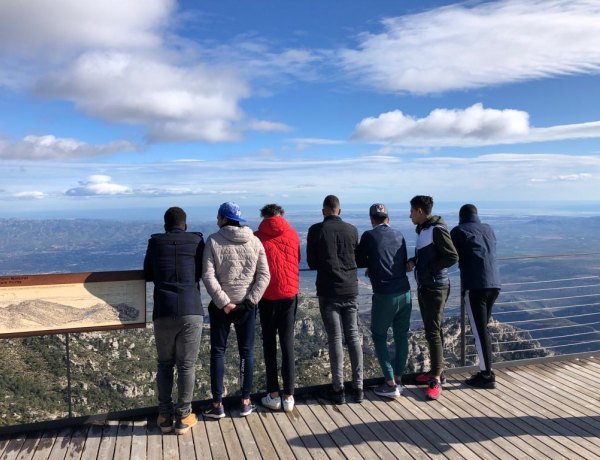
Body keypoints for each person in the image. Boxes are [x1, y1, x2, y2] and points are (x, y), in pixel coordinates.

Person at [202, 202, 270, 418]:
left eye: (218, 216)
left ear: (223, 218)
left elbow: (208, 275)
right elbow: (264, 276)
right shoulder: (255, 241)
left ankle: (217, 405)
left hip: (222, 307)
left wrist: (224, 302)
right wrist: (249, 302)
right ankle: (245, 402)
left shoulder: (213, 240)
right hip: (247, 307)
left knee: (218, 352)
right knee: (247, 352)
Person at [143, 207, 204, 435]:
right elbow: (202, 271)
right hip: (191, 308)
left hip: (163, 310)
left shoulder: (155, 243)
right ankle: (184, 417)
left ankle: (164, 416)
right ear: (185, 224)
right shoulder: (197, 241)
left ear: (165, 225)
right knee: (186, 365)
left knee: (164, 364)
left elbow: (147, 273)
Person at [307, 195, 363, 404]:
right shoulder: (352, 230)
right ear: (339, 210)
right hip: (351, 288)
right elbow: (356, 257)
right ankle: (358, 387)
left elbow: (312, 263)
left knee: (336, 339)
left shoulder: (316, 230)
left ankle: (338, 390)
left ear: (324, 211)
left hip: (328, 290)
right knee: (353, 337)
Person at [356, 204, 411, 399]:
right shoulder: (399, 235)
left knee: (379, 336)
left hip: (385, 293)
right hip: (405, 292)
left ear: (372, 220)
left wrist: (372, 265)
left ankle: (390, 383)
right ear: (388, 219)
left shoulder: (369, 236)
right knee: (401, 336)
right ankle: (399, 379)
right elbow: (403, 263)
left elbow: (360, 260)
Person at [406, 196, 458, 401]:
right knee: (431, 330)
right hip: (427, 285)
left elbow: (452, 256)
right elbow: (427, 256)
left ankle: (436, 377)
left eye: (411, 211)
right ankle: (438, 369)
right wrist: (413, 261)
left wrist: (428, 269)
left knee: (433, 331)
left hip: (436, 287)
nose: (410, 215)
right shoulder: (424, 230)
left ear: (419, 211)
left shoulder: (436, 229)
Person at [254, 204, 300, 412]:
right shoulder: (293, 234)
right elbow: (297, 259)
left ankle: (273, 395)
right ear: (282, 214)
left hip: (268, 295)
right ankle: (289, 396)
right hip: (290, 294)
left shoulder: (256, 237)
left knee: (269, 344)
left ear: (264, 216)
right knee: (287, 343)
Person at [450, 204, 501, 389]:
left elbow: (450, 255)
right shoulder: (488, 229)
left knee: (480, 333)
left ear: (460, 216)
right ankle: (485, 370)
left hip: (475, 285)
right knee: (483, 330)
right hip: (494, 284)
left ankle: (487, 375)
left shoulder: (459, 231)